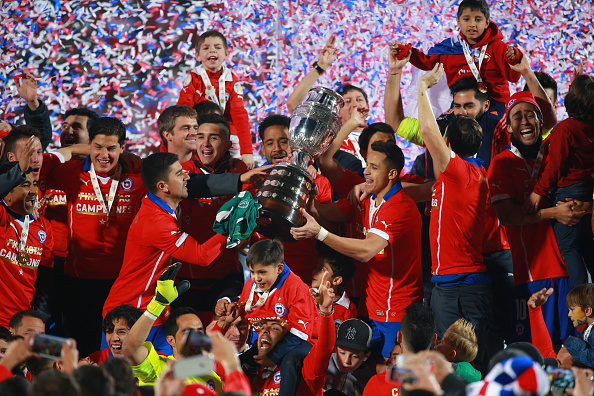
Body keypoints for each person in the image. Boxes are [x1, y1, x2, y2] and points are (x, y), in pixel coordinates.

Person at [291, 141, 423, 360]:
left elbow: (366, 251)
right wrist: (311, 199)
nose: (366, 172)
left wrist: (319, 233)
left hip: (395, 310)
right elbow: (328, 212)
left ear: (392, 173)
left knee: (390, 373)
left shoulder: (401, 207)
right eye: (366, 165)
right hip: (368, 304)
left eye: (374, 167)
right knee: (362, 367)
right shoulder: (366, 199)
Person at [103, 152, 242, 353]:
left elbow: (195, 183)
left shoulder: (158, 203)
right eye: (180, 174)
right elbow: (202, 256)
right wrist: (230, 227)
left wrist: (240, 181)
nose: (187, 177)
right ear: (163, 186)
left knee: (173, 370)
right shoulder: (157, 223)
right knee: (128, 378)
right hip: (131, 312)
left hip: (155, 309)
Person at [40, 116, 145, 357]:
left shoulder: (138, 176)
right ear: (89, 146)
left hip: (121, 282)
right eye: (97, 147)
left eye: (111, 148)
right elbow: (41, 165)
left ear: (123, 148)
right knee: (82, 347)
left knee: (120, 350)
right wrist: (73, 150)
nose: (104, 155)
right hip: (79, 280)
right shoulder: (72, 173)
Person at [488, 91, 578, 345]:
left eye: (531, 115)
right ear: (509, 127)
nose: (525, 121)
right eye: (517, 116)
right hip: (532, 276)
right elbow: (508, 216)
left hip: (572, 270)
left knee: (573, 353)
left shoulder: (555, 156)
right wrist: (554, 213)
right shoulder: (502, 163)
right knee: (537, 354)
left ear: (541, 122)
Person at [417, 63, 491, 371]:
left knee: (456, 366)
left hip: (458, 286)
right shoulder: (468, 174)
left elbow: (426, 131)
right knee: (462, 365)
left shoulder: (459, 172)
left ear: (447, 145)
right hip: (454, 284)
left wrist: (423, 87)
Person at [173, 113, 246, 319]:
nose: (205, 143)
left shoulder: (241, 171)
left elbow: (247, 227)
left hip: (226, 278)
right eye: (200, 137)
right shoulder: (181, 172)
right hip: (184, 279)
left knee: (223, 339)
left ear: (227, 144)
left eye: (214, 137)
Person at [526, 74, 594, 286]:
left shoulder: (565, 129)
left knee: (569, 248)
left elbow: (554, 167)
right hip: (585, 192)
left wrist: (539, 190)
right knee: (586, 247)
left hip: (565, 195)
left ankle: (581, 300)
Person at [227, 239, 317, 396]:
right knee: (238, 364)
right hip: (273, 340)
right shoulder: (252, 285)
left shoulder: (296, 287)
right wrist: (229, 304)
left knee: (289, 361)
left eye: (262, 272)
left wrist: (272, 357)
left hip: (304, 342)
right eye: (253, 272)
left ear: (279, 268)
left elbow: (299, 333)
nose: (257, 278)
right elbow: (245, 306)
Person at [254, 114, 333, 283]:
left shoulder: (318, 182)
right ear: (262, 148)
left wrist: (311, 205)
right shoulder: (253, 181)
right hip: (262, 278)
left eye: (283, 141)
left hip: (304, 275)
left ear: (295, 144)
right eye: (269, 143)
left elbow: (328, 229)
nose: (277, 148)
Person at [394, 0, 521, 105]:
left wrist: (514, 58)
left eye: (478, 20)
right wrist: (407, 52)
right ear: (458, 22)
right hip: (461, 105)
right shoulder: (450, 47)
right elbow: (425, 62)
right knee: (440, 129)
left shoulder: (498, 47)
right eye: (466, 19)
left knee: (488, 132)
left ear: (487, 23)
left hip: (495, 104)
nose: (472, 24)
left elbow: (513, 78)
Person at [122, 262, 223, 390]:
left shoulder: (211, 375)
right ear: (171, 340)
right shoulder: (161, 369)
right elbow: (130, 348)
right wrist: (158, 305)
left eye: (199, 331)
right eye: (188, 332)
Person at [177, 30, 254, 169]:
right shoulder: (194, 77)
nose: (212, 50)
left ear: (226, 54)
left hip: (227, 134)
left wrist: (247, 151)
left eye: (217, 47)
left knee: (237, 169)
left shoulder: (232, 79)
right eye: (206, 48)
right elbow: (183, 110)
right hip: (200, 132)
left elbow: (240, 116)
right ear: (197, 55)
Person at [0, 141, 54, 328]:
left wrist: (39, 318)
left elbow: (45, 281)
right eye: (24, 185)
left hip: (23, 325)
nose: (33, 191)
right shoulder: (2, 218)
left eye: (34, 184)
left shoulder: (43, 227)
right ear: (7, 194)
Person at [310, 243, 357, 333]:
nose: (315, 272)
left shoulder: (348, 309)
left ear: (337, 280)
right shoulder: (305, 292)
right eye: (316, 267)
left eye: (322, 269)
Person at [323, 319, 375, 395]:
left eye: (355, 356)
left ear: (366, 356)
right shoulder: (321, 365)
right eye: (342, 353)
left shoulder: (368, 380)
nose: (346, 361)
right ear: (335, 348)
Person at [434, 319, 481, 383]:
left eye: (442, 342)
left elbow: (476, 376)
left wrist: (445, 364)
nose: (436, 343)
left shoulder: (464, 369)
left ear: (451, 354)